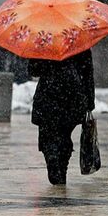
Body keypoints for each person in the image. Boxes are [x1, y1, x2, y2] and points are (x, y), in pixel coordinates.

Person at [28, 49, 94, 185]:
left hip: (48, 94)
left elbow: (33, 70)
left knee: (48, 134)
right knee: (64, 134)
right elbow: (87, 73)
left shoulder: (44, 40)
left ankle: (52, 158)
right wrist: (90, 100)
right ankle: (61, 167)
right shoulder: (78, 40)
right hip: (72, 95)